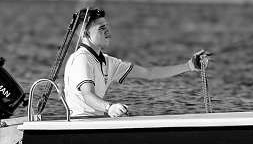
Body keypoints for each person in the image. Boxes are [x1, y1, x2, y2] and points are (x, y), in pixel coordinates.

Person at [62, 8, 208, 119]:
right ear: (85, 34)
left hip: (98, 122)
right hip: (81, 123)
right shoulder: (81, 59)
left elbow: (149, 73)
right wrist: (110, 108)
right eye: (101, 28)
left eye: (106, 26)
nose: (108, 32)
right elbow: (88, 95)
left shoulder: (108, 62)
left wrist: (188, 66)